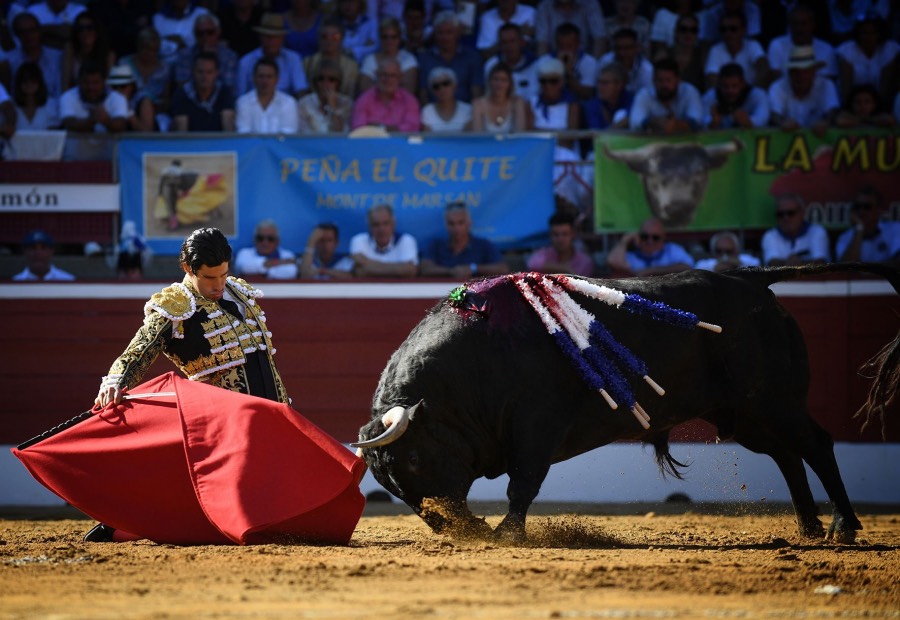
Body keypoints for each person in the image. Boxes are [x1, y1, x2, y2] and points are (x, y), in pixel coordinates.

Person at [85, 227, 290, 542]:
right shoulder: (176, 305)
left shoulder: (239, 292)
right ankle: (127, 526)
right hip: (224, 420)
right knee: (209, 487)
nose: (218, 285)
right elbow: (139, 350)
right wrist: (116, 380)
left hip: (273, 412)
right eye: (209, 278)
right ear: (187, 269)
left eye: (223, 274)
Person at [419, 201, 508, 278]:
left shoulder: (484, 245)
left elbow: (503, 269)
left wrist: (473, 268)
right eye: (451, 223)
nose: (456, 228)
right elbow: (425, 269)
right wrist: (451, 271)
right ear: (446, 225)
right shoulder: (436, 245)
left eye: (460, 223)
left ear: (469, 223)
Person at [416, 11, 484, 104]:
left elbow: (476, 92)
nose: (445, 37)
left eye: (449, 32)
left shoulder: (472, 57)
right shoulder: (425, 58)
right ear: (435, 34)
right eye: (440, 33)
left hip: (466, 110)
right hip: (432, 110)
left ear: (457, 33)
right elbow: (423, 91)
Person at [768, 45, 839, 133]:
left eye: (805, 71)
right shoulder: (778, 87)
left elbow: (833, 111)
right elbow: (774, 115)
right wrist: (782, 122)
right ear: (790, 73)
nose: (800, 76)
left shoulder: (826, 85)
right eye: (796, 71)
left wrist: (825, 121)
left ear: (814, 72)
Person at [235, 12, 308, 98]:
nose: (271, 41)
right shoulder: (245, 62)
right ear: (260, 37)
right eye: (267, 36)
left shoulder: (293, 59)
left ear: (282, 38)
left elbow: (300, 90)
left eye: (275, 37)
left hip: (286, 105)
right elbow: (240, 96)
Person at [836, 14, 899, 104]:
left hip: (882, 103)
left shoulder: (891, 49)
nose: (869, 37)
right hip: (852, 104)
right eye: (865, 32)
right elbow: (846, 88)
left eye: (873, 33)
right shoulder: (846, 50)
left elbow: (887, 85)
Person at [629, 56, 702, 133]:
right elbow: (635, 122)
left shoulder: (689, 92)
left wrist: (677, 125)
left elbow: (697, 120)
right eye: (660, 80)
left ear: (677, 80)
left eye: (668, 80)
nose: (664, 85)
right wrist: (652, 123)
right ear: (653, 80)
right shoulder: (644, 95)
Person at [767, 4, 838, 83]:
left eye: (804, 23)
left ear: (812, 24)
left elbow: (827, 83)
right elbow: (776, 80)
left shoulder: (827, 50)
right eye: (795, 23)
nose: (799, 28)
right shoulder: (777, 45)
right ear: (789, 26)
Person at [117, 27, 172, 128]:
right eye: (146, 49)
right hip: (127, 111)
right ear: (138, 46)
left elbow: (166, 99)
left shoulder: (164, 68)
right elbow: (118, 94)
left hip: (156, 113)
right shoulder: (123, 64)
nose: (150, 53)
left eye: (154, 50)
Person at [1, 12, 64, 99]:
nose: (29, 36)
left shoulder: (58, 56)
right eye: (23, 32)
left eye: (32, 30)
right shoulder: (8, 61)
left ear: (39, 31)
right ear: (17, 35)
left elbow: (60, 91)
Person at [170, 51, 237, 132]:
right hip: (191, 139)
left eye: (209, 72)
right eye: (200, 72)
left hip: (218, 139)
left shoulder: (225, 93)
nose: (204, 77)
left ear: (216, 73)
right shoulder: (182, 94)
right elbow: (182, 133)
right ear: (193, 72)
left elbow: (228, 130)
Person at [171, 13, 238, 92]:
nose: (205, 37)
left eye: (210, 32)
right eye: (200, 33)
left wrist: (212, 58)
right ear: (195, 35)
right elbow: (182, 86)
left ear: (218, 32)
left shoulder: (230, 57)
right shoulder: (184, 55)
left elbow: (229, 87)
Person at [703, 10, 769, 90]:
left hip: (750, 92)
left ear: (743, 30)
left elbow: (764, 68)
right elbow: (711, 79)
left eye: (733, 29)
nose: (728, 33)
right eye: (724, 29)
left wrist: (751, 92)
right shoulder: (715, 50)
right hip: (725, 94)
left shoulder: (753, 45)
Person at [350, 57, 420, 131]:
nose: (388, 79)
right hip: (371, 139)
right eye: (384, 74)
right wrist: (395, 129)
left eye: (392, 75)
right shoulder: (364, 100)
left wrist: (381, 128)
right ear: (376, 75)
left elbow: (413, 128)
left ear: (400, 77)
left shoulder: (410, 100)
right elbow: (358, 129)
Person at [607, 217, 694, 276]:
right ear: (639, 236)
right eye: (645, 237)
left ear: (663, 237)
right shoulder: (632, 255)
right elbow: (613, 262)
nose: (650, 241)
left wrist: (651, 271)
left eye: (655, 238)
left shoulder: (672, 250)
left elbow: (688, 267)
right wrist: (625, 241)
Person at [349, 204, 418, 278]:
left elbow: (410, 271)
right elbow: (358, 272)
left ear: (393, 224)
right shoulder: (359, 240)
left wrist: (369, 267)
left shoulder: (406, 240)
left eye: (386, 223)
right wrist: (399, 269)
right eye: (376, 225)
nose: (381, 229)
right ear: (369, 226)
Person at [59, 60, 128, 134]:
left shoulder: (117, 98)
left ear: (104, 82)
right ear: (79, 81)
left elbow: (121, 125)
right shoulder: (68, 97)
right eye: (86, 82)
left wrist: (106, 121)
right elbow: (69, 124)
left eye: (95, 83)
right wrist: (90, 121)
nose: (91, 87)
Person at [761, 194, 831, 266]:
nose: (786, 218)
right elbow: (772, 263)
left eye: (791, 213)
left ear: (802, 213)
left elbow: (821, 263)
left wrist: (796, 264)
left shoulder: (817, 232)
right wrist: (795, 264)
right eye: (780, 214)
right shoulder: (770, 235)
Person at [834, 186, 900, 263]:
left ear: (878, 210)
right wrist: (859, 229)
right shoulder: (845, 237)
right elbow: (845, 267)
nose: (861, 211)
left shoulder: (895, 229)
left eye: (867, 207)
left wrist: (865, 268)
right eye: (857, 206)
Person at [235, 57, 299, 133]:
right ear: (254, 78)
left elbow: (288, 133)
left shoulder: (288, 103)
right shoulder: (243, 102)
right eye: (261, 76)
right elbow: (244, 133)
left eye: (269, 77)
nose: (265, 81)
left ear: (277, 79)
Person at [304, 19, 362, 99]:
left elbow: (351, 94)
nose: (329, 40)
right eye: (324, 36)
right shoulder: (307, 63)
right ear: (318, 38)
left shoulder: (352, 67)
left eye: (335, 37)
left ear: (342, 39)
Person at [359, 16, 418, 94]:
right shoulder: (369, 60)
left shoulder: (408, 59)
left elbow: (408, 91)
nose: (389, 41)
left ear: (399, 38)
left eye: (393, 37)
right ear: (380, 38)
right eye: (385, 37)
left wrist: (378, 84)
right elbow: (365, 91)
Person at [526, 211, 594, 277]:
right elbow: (532, 264)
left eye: (565, 234)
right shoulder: (545, 254)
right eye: (556, 234)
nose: (560, 239)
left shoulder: (584, 262)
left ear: (573, 234)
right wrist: (565, 269)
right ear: (550, 235)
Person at [61, 11, 117, 91]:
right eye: (80, 29)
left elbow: (109, 87)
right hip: (75, 95)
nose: (85, 32)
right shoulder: (71, 50)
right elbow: (65, 84)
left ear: (97, 30)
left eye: (90, 28)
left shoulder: (108, 55)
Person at [702, 62, 769, 128]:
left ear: (743, 84)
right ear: (719, 85)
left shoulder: (757, 95)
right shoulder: (710, 96)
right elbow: (702, 120)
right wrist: (712, 122)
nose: (730, 90)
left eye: (734, 86)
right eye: (725, 86)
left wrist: (749, 121)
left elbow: (763, 119)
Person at [482, 23, 538, 100]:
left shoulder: (537, 64)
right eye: (504, 42)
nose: (509, 47)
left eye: (512, 41)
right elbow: (488, 97)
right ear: (500, 45)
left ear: (521, 42)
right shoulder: (491, 65)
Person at [534, 0, 607, 58]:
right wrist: (544, 66)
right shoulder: (544, 6)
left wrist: (594, 65)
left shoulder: (590, 3)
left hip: (584, 58)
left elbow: (600, 38)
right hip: (554, 60)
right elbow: (542, 43)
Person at [297, 58, 354, 133]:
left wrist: (332, 108)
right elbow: (303, 135)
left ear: (338, 83)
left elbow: (341, 134)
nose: (326, 84)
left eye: (332, 79)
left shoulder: (347, 104)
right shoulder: (304, 104)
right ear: (315, 82)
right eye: (321, 79)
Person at [470, 61, 529, 133]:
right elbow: (477, 135)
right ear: (489, 82)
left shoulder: (517, 103)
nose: (499, 84)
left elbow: (520, 134)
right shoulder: (478, 104)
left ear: (510, 84)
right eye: (496, 79)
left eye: (503, 80)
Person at [656, 12, 706, 93]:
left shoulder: (703, 57)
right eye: (683, 29)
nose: (688, 34)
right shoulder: (664, 56)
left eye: (693, 30)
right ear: (676, 32)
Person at [596, 26, 653, 97]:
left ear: (637, 48)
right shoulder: (605, 62)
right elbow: (599, 92)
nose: (622, 53)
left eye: (627, 48)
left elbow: (648, 97)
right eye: (619, 48)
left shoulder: (647, 70)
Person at [234, 219, 299, 279]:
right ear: (254, 240)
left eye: (270, 239)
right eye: (260, 238)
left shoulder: (287, 255)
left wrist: (258, 269)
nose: (265, 243)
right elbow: (244, 267)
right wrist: (279, 263)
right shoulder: (244, 253)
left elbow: (291, 272)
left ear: (277, 241)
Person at [581, 62, 631, 130]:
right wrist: (617, 126)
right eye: (599, 82)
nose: (600, 87)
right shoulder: (593, 105)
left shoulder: (632, 102)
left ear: (619, 85)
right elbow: (596, 133)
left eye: (605, 83)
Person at [106, 63, 155, 132]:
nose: (119, 91)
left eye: (123, 86)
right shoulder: (106, 100)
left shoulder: (143, 101)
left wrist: (129, 114)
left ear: (132, 86)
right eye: (114, 87)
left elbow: (148, 133)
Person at [420, 66, 471, 131]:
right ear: (432, 91)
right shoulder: (427, 111)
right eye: (436, 86)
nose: (442, 89)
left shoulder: (467, 110)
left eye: (446, 84)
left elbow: (469, 136)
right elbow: (427, 137)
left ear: (455, 86)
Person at [12, 61, 60, 130]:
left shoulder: (50, 104)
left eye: (33, 80)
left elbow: (54, 131)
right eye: (25, 80)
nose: (29, 83)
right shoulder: (11, 107)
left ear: (39, 82)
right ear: (19, 83)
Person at [336, 0, 379, 64]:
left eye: (352, 1)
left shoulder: (370, 24)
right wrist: (363, 47)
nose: (348, 5)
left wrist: (353, 51)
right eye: (344, 1)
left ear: (360, 4)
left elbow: (374, 47)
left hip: (364, 65)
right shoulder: (334, 24)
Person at [694, 230, 760, 272]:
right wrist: (715, 267)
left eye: (729, 251)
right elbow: (698, 268)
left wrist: (739, 264)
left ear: (737, 251)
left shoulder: (746, 260)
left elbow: (756, 264)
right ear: (713, 252)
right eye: (719, 251)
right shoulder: (705, 264)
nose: (724, 256)